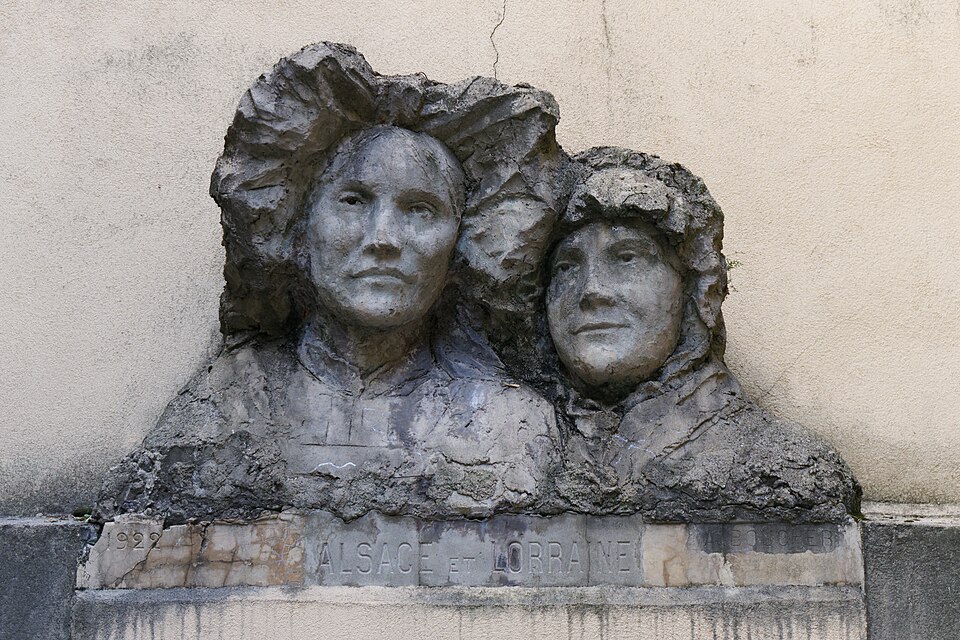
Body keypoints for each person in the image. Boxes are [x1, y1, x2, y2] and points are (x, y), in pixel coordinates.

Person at [97, 45, 560, 523]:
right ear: (299, 230)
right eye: (354, 201)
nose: (383, 239)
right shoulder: (228, 409)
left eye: (421, 210)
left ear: (460, 249)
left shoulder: (508, 428)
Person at [544, 147, 860, 522]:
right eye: (566, 267)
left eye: (627, 258)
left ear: (696, 290)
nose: (592, 291)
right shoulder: (520, 451)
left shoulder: (780, 466)